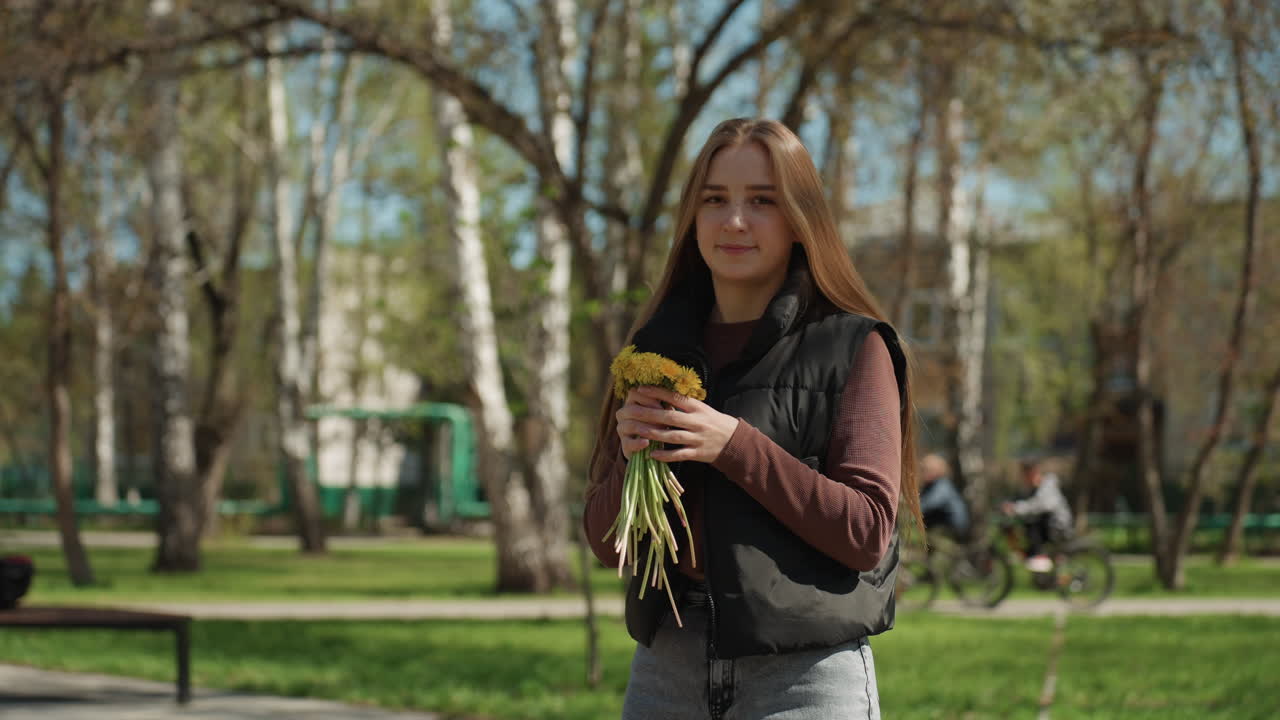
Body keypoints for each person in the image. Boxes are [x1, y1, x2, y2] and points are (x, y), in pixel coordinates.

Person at [583, 118, 922, 720]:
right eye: (715, 199)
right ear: (692, 217)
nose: (734, 221)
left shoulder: (854, 346)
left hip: (804, 677)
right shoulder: (654, 351)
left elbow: (866, 532)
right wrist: (633, 461)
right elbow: (608, 545)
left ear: (799, 219)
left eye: (762, 201)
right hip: (666, 669)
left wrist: (733, 444)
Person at [1001, 455, 1073, 572]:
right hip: (1046, 526)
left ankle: (1039, 556)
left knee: (1033, 522)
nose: (1023, 478)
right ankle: (1030, 555)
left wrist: (1015, 508)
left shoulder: (1048, 485)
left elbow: (1040, 505)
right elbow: (1021, 501)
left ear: (1034, 472)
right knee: (1018, 525)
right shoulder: (1030, 488)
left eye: (1026, 474)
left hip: (1058, 527)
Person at [918, 453, 970, 541]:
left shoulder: (943, 485)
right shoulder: (932, 485)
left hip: (951, 530)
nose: (924, 473)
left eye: (928, 470)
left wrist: (910, 510)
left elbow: (929, 504)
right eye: (923, 470)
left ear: (938, 470)